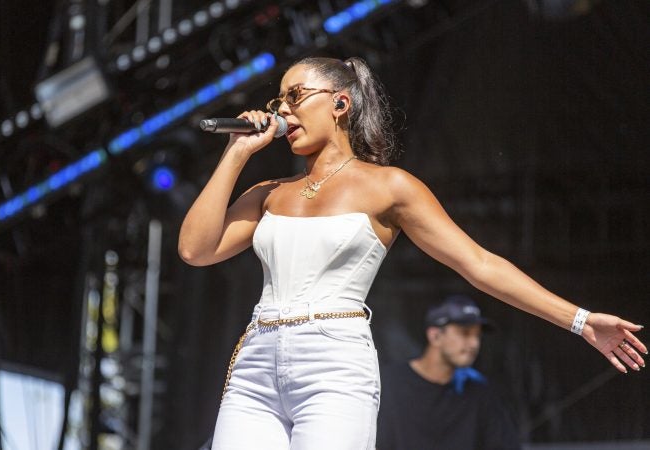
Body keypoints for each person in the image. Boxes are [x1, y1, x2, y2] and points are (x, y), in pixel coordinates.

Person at [177, 56, 646, 450]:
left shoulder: (390, 186)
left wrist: (581, 321)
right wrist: (237, 154)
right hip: (256, 363)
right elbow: (195, 249)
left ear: (340, 103)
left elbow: (478, 264)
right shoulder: (269, 192)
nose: (283, 109)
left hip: (333, 363)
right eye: (278, 100)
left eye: (296, 95)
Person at [377, 294, 520, 449]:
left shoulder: (480, 392)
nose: (474, 343)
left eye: (477, 335)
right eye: (465, 333)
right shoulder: (387, 384)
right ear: (435, 336)